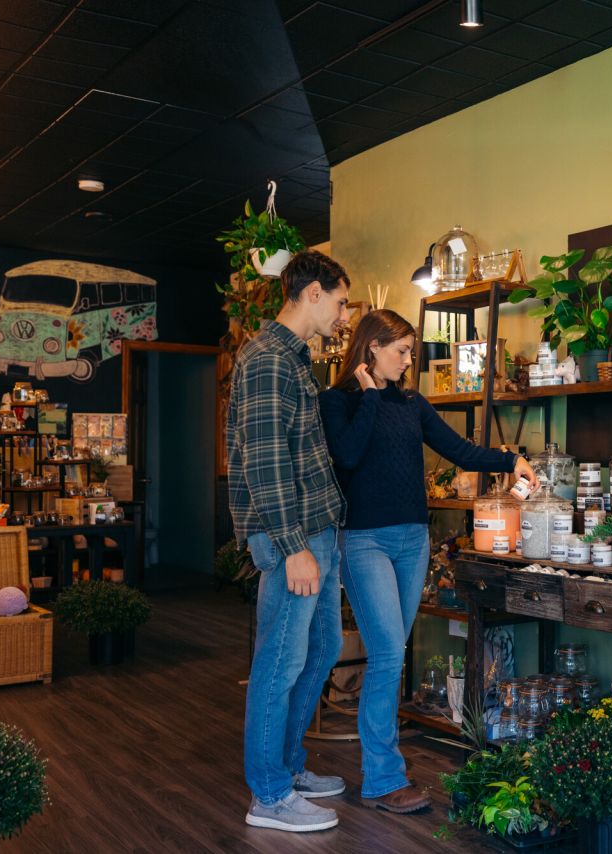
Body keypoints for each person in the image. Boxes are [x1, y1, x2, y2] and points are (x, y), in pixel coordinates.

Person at [320, 308, 536, 814]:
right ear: (372, 348)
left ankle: (384, 765)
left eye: (411, 351)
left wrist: (511, 459)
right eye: (401, 351)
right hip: (364, 540)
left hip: (413, 539)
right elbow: (347, 456)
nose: (409, 360)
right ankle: (382, 778)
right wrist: (371, 395)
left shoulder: (413, 403)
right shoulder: (337, 401)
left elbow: (459, 450)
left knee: (391, 652)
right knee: (390, 657)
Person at [228, 250, 352, 833]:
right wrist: (294, 545)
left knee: (321, 649)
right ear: (312, 294)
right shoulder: (267, 360)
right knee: (280, 662)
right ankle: (270, 795)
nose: (344, 315)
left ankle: (287, 765)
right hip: (293, 536)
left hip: (316, 532)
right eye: (342, 301)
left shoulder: (294, 359)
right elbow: (266, 463)